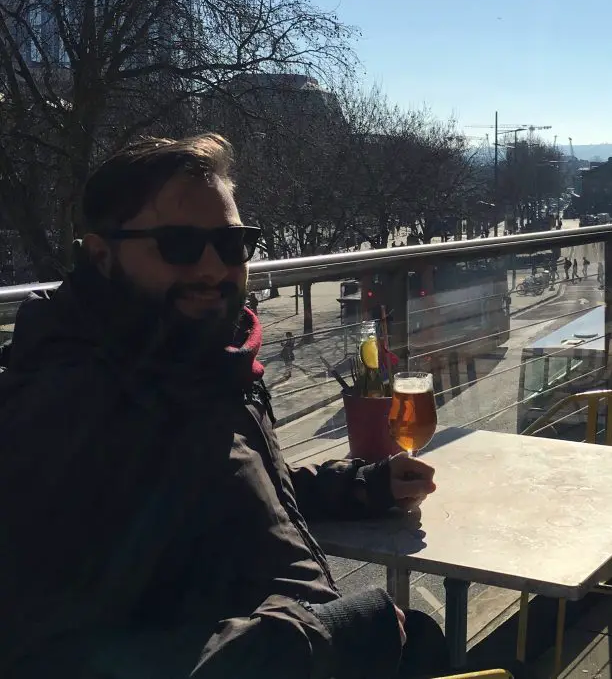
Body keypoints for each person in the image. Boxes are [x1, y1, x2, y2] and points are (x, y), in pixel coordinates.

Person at [0, 134, 449, 679]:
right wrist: (333, 637)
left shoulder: (194, 360)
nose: (214, 268)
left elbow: (229, 490)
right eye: (180, 244)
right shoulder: (62, 412)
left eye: (233, 243)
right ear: (102, 255)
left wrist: (360, 486)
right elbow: (52, 659)